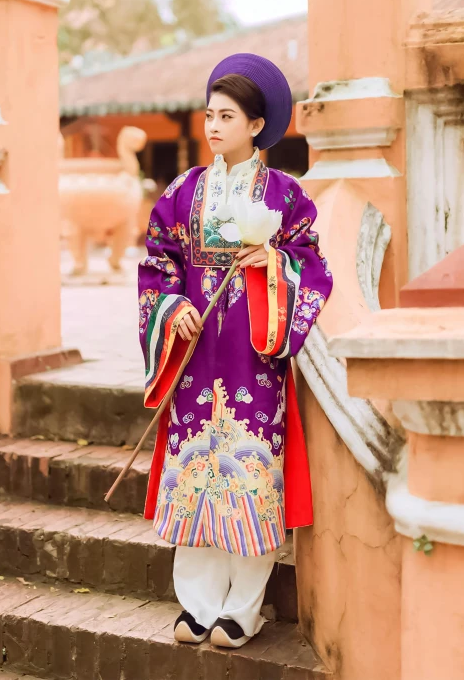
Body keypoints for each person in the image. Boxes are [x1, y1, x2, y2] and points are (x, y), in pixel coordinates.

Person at [138, 53, 333, 649]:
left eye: (227, 116)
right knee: (195, 474)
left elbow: (314, 269)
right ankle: (196, 607)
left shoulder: (284, 196)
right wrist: (173, 309)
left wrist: (272, 264)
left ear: (257, 124)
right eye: (209, 114)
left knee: (250, 477)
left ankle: (242, 610)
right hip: (196, 359)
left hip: (254, 363)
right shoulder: (182, 190)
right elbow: (156, 264)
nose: (213, 126)